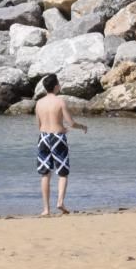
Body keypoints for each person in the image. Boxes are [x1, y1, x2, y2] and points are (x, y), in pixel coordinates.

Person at [34, 73, 88, 216]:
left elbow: (39, 125)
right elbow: (71, 123)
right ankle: (60, 202)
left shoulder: (39, 103)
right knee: (63, 173)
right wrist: (82, 127)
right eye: (59, 83)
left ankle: (46, 209)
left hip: (43, 138)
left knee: (45, 173)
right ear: (56, 86)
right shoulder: (60, 102)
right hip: (58, 138)